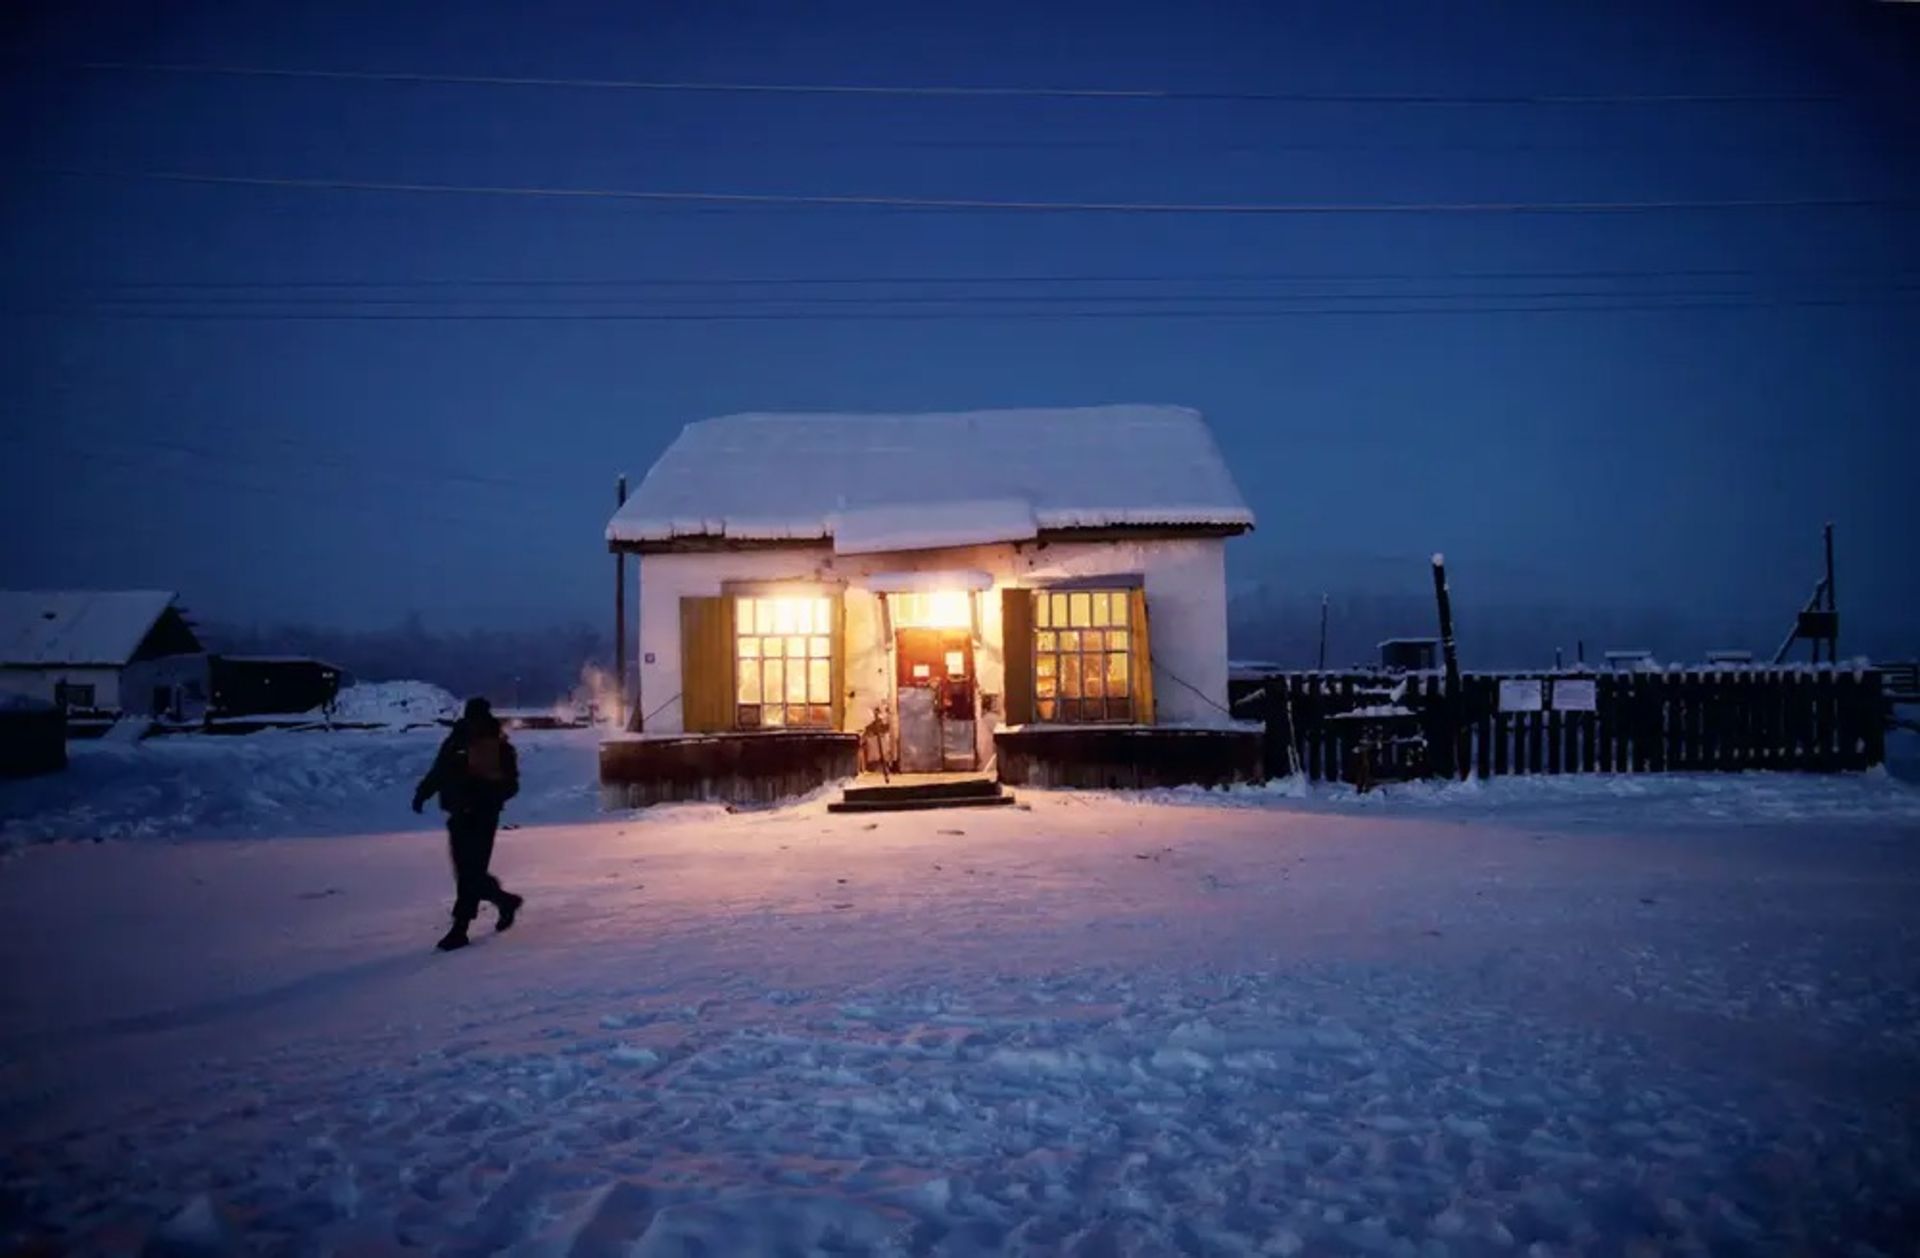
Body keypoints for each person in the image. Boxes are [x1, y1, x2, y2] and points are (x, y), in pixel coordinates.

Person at [413, 696, 524, 951]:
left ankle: (460, 928)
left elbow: (511, 785)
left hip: (482, 816)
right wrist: (423, 793)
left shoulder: (496, 746)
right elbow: (440, 771)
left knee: (469, 874)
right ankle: (505, 901)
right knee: (467, 872)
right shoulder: (458, 741)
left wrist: (486, 795)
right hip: (461, 814)